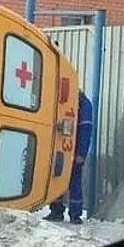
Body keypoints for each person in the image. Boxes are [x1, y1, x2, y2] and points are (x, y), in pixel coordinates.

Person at [45, 90, 93, 224]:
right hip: (61, 149)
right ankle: (56, 211)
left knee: (74, 182)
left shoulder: (84, 105)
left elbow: (85, 130)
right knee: (56, 178)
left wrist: (81, 154)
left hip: (74, 151)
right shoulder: (65, 102)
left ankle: (75, 215)